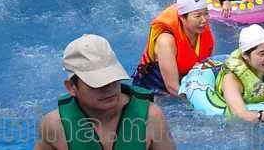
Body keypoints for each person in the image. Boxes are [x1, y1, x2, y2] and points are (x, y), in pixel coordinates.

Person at [35, 34, 175, 150]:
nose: (108, 89)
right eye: (97, 83)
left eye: (113, 79)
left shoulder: (151, 117)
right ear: (71, 87)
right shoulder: (55, 125)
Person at [133, 0, 214, 96]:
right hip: (155, 84)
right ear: (182, 18)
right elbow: (172, 87)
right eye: (198, 16)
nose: (204, 20)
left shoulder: (202, 30)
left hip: (184, 77)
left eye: (206, 14)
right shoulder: (166, 41)